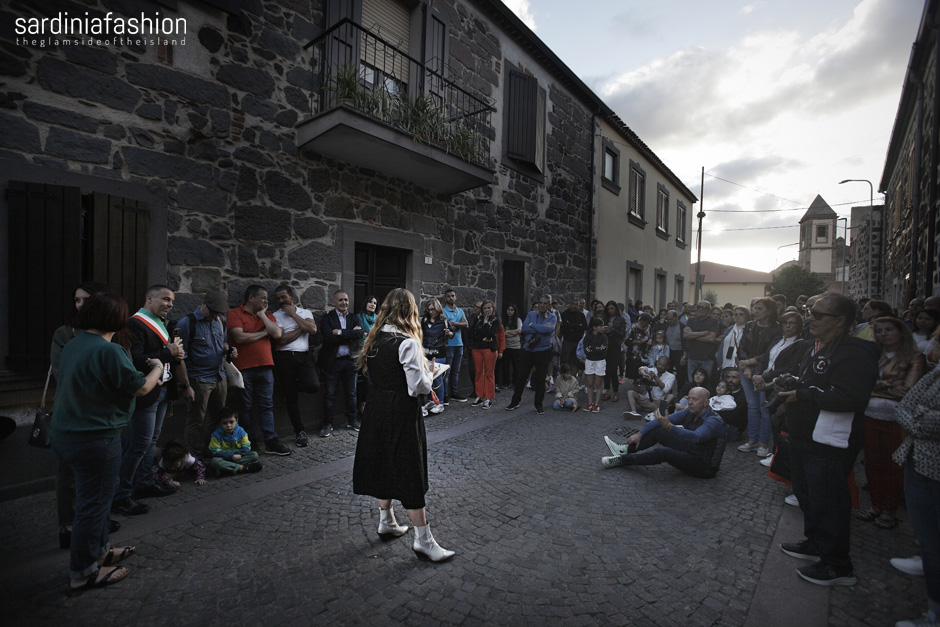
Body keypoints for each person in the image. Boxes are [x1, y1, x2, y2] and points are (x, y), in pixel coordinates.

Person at [51, 292, 164, 592]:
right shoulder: (109, 350)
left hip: (66, 435)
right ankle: (83, 572)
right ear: (117, 320)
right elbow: (140, 388)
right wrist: (158, 368)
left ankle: (100, 550)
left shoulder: (73, 344)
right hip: (95, 438)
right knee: (93, 504)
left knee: (96, 500)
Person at [777, 294, 879, 587]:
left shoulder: (855, 353)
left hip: (828, 441)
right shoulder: (816, 346)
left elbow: (851, 398)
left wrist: (804, 394)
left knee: (828, 501)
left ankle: (838, 566)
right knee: (807, 494)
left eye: (819, 315)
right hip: (803, 434)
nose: (811, 317)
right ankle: (815, 543)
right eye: (811, 312)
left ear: (840, 321)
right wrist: (790, 384)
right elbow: (814, 383)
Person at [352, 288, 454, 562]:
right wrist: (431, 374)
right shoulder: (406, 343)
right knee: (410, 472)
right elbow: (416, 387)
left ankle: (386, 521)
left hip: (376, 410)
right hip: (400, 413)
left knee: (384, 463)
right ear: (410, 312)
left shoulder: (374, 338)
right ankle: (424, 540)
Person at [49, 281, 120, 549]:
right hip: (73, 413)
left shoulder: (108, 331)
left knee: (101, 477)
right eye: (76, 300)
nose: (80, 305)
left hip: (103, 416)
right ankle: (68, 525)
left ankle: (96, 523)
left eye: (85, 300)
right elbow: (62, 373)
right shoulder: (66, 334)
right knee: (67, 475)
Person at [113, 285, 186, 516]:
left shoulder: (163, 323)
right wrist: (169, 353)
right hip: (146, 393)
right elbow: (136, 359)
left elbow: (164, 355)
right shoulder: (135, 323)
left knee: (151, 441)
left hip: (162, 391)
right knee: (138, 446)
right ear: (149, 299)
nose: (169, 304)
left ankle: (144, 484)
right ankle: (122, 495)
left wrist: (175, 356)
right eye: (165, 299)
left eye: (172, 301)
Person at [855, 317, 926, 530]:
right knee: (872, 461)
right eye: (879, 330)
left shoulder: (915, 357)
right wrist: (887, 385)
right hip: (870, 414)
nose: (883, 333)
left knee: (893, 465)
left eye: (889, 329)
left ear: (901, 332)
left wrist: (875, 386)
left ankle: (889, 509)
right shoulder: (874, 354)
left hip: (896, 419)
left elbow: (907, 390)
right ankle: (876, 505)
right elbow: (861, 383)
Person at [891, 368, 940, 626]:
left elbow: (919, 415)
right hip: (917, 458)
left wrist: (917, 417)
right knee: (927, 536)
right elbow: (904, 405)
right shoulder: (935, 374)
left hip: (935, 466)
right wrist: (922, 419)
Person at [601, 387, 727, 478]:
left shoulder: (713, 421)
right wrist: (640, 434)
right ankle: (625, 449)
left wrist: (670, 427)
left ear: (706, 402)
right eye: (689, 398)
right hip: (691, 448)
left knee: (663, 452)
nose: (690, 402)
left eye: (695, 399)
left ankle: (622, 460)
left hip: (704, 465)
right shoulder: (690, 411)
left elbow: (696, 437)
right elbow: (660, 421)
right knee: (659, 430)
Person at [227, 285, 290, 454]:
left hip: (265, 367)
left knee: (266, 406)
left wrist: (262, 315)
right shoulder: (235, 314)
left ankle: (270, 440)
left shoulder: (267, 316)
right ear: (250, 298)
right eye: (262, 298)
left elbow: (277, 334)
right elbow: (239, 337)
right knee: (245, 406)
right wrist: (263, 334)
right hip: (243, 368)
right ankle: (250, 440)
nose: (266, 301)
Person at [175, 290, 233, 457]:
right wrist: (185, 386)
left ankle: (210, 452)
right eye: (212, 312)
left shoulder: (220, 321)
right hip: (199, 379)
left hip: (219, 376)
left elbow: (224, 344)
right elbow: (180, 358)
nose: (214, 316)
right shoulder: (186, 323)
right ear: (203, 304)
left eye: (218, 313)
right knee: (196, 421)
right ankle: (194, 457)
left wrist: (229, 351)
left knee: (217, 417)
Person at [272, 285, 320, 448]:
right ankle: (300, 431)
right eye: (278, 298)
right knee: (291, 398)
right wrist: (302, 328)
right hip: (285, 358)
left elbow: (313, 329)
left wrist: (293, 315)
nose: (280, 301)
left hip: (304, 356)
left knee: (313, 385)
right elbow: (281, 341)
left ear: (291, 296)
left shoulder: (305, 313)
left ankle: (290, 387)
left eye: (283, 297)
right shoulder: (275, 316)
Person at [736, 297, 782, 458]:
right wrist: (746, 366)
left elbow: (770, 352)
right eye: (755, 308)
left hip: (764, 371)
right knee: (752, 406)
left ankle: (763, 443)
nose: (756, 311)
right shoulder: (749, 326)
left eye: (760, 308)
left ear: (769, 311)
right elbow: (741, 347)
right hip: (745, 368)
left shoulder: (777, 329)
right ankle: (752, 440)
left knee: (764, 407)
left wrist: (750, 364)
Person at [318, 290, 363, 437]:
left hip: (350, 361)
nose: (344, 303)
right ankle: (328, 424)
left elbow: (359, 334)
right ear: (334, 302)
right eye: (341, 300)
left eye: (346, 300)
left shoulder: (354, 317)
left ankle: (353, 420)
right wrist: (349, 333)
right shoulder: (327, 318)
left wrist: (339, 332)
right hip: (333, 362)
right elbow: (327, 338)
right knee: (330, 394)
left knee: (352, 393)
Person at [506, 295, 556, 414]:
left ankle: (538, 405)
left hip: (543, 351)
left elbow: (548, 330)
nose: (542, 305)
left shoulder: (552, 318)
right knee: (521, 377)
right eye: (541, 302)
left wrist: (532, 326)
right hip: (528, 350)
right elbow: (524, 329)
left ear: (549, 305)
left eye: (545, 303)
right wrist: (539, 328)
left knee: (540, 379)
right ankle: (515, 401)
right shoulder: (531, 314)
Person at [207, 407, 263, 475]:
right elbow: (215, 451)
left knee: (254, 455)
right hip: (225, 458)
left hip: (239, 457)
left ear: (236, 421)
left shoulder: (241, 431)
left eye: (231, 422)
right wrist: (231, 456)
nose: (228, 425)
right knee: (214, 461)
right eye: (225, 423)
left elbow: (246, 446)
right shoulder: (215, 435)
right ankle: (243, 468)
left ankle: (227, 469)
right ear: (220, 424)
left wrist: (240, 454)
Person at [469, 299, 504, 410]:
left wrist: (485, 327)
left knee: (489, 373)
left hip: (490, 349)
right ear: (482, 310)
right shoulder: (478, 319)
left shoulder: (495, 321)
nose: (487, 310)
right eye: (485, 308)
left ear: (492, 309)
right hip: (477, 349)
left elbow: (491, 332)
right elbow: (471, 334)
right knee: (478, 372)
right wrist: (483, 337)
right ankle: (479, 395)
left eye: (489, 308)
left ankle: (488, 398)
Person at [421, 298, 451, 415]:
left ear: (438, 309)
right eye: (429, 309)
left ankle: (440, 403)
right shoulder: (424, 320)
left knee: (437, 378)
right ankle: (431, 400)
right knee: (428, 378)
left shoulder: (443, 320)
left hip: (439, 352)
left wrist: (449, 333)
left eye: (433, 309)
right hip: (427, 352)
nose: (431, 311)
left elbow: (452, 333)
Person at [623, 356, 675, 420]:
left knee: (670, 396)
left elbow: (666, 389)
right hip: (647, 400)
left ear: (667, 367)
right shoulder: (653, 370)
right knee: (630, 392)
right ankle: (634, 412)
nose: (660, 367)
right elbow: (641, 368)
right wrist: (644, 374)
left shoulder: (671, 376)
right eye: (659, 364)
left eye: (663, 365)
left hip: (659, 403)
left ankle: (655, 413)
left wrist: (655, 378)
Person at [441, 289, 469, 403]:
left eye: (453, 296)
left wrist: (453, 323)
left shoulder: (460, 311)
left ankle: (455, 393)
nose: (451, 298)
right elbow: (446, 325)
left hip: (459, 344)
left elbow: (466, 324)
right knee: (447, 372)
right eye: (448, 296)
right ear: (445, 298)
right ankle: (446, 395)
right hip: (449, 345)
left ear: (455, 297)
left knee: (456, 371)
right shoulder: (443, 312)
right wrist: (459, 324)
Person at [683, 301, 720, 380]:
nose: (700, 309)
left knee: (705, 382)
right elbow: (686, 335)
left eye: (703, 308)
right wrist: (703, 333)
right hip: (692, 357)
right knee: (692, 381)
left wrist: (693, 335)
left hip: (707, 358)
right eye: (699, 307)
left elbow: (711, 339)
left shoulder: (714, 321)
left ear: (709, 310)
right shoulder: (691, 320)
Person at [356, 295, 378, 416]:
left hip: (375, 353)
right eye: (370, 302)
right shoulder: (358, 317)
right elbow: (358, 335)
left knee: (373, 381)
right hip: (361, 353)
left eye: (375, 303)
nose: (372, 304)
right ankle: (362, 405)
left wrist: (366, 334)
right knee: (366, 381)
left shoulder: (378, 319)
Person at [602, 301, 627, 402]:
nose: (610, 311)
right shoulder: (605, 319)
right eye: (608, 309)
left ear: (616, 309)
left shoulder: (621, 320)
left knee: (613, 371)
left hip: (615, 346)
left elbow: (622, 335)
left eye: (612, 309)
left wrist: (612, 329)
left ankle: (616, 392)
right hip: (606, 345)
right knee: (606, 371)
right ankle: (607, 391)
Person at [582, 318, 608, 413]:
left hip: (600, 361)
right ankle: (590, 402)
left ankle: (596, 403)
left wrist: (593, 349)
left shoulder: (604, 337)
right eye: (600, 326)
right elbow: (586, 350)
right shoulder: (588, 337)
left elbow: (604, 349)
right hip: (590, 361)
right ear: (594, 327)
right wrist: (596, 349)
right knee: (589, 383)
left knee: (598, 384)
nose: (603, 328)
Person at [560, 299, 587, 376]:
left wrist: (571, 326)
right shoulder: (565, 314)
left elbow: (585, 326)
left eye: (576, 304)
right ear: (570, 304)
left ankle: (573, 378)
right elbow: (565, 326)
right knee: (565, 360)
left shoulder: (581, 315)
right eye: (573, 304)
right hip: (567, 341)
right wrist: (578, 325)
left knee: (576, 361)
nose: (574, 306)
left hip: (578, 342)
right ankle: (564, 378)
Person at [499, 304, 523, 388]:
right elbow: (500, 332)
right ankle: (506, 382)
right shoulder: (503, 319)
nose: (510, 311)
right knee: (505, 366)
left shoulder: (518, 320)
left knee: (516, 366)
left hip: (516, 346)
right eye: (508, 309)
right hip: (506, 346)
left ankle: (515, 383)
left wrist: (507, 332)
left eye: (512, 310)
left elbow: (519, 331)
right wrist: (511, 333)